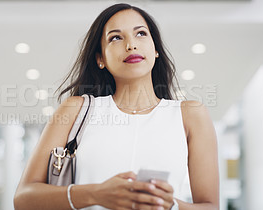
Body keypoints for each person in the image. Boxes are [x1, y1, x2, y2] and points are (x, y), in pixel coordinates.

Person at [14, 3, 219, 210]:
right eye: (116, 38)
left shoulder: (190, 115)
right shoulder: (76, 109)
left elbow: (211, 206)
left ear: (156, 49)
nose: (131, 45)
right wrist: (95, 194)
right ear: (100, 58)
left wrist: (170, 205)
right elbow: (23, 198)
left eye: (140, 33)